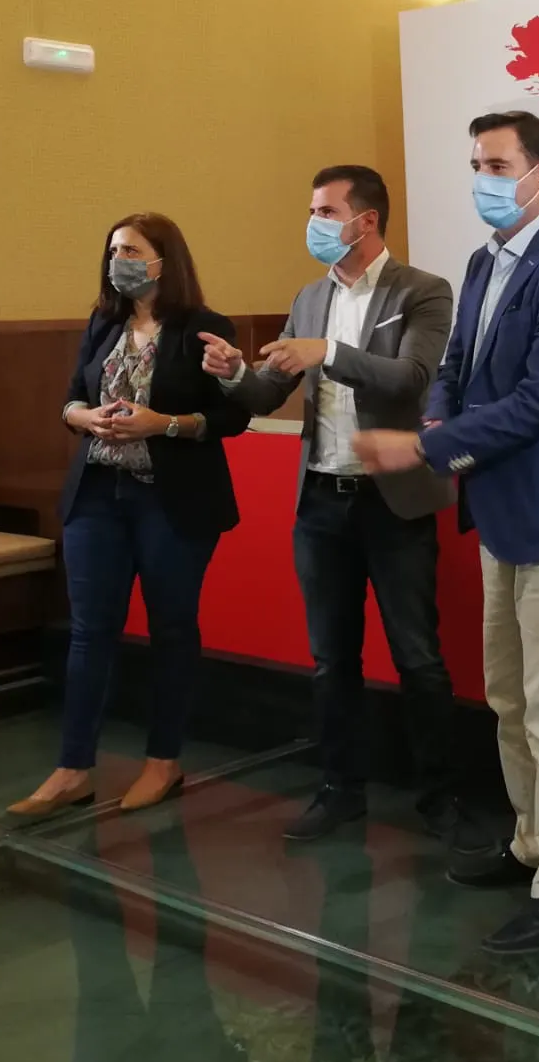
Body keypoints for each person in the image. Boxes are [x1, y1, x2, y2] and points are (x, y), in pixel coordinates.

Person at [355, 111, 539, 956]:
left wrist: (424, 446)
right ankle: (531, 842)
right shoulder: (483, 263)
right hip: (502, 516)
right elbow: (457, 372)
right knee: (509, 699)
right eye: (476, 162)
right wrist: (438, 417)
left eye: (498, 164)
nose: (483, 178)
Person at [197, 165, 460, 842]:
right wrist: (234, 374)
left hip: (393, 503)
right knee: (331, 659)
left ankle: (441, 799)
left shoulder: (423, 291)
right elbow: (268, 393)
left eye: (324, 211)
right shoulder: (309, 297)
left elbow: (412, 377)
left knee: (417, 657)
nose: (313, 223)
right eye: (313, 211)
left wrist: (330, 352)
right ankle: (341, 790)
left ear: (365, 220)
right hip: (320, 500)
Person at [8, 213, 250, 821]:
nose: (120, 260)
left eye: (133, 251)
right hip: (97, 494)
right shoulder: (104, 321)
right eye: (114, 250)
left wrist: (162, 424)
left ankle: (163, 761)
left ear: (165, 260)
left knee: (171, 628)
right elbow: (71, 396)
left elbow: (233, 418)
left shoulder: (204, 328)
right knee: (89, 630)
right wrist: (81, 417)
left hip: (172, 499)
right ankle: (72, 769)